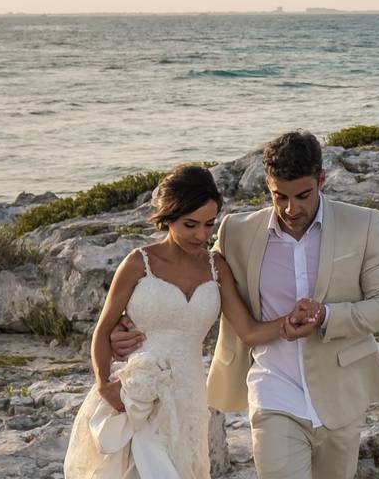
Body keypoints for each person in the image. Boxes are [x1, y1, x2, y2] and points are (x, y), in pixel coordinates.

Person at [112, 131, 379, 479]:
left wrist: (326, 315)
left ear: (321, 180)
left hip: (340, 394)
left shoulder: (364, 224)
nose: (291, 208)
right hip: (272, 392)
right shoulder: (237, 232)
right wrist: (130, 321)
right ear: (267, 184)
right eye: (279, 196)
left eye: (303, 195)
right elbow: (193, 277)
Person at [64, 164, 322, 479]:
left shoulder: (216, 267)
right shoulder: (138, 263)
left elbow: (250, 331)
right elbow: (103, 330)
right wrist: (105, 386)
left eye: (209, 224)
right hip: (135, 393)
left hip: (188, 397)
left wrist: (289, 321)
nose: (201, 235)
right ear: (169, 217)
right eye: (190, 225)